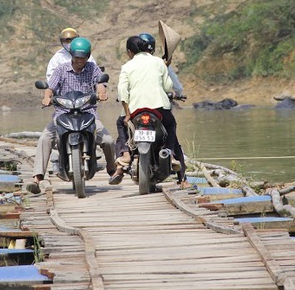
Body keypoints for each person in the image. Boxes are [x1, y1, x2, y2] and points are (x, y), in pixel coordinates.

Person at [28, 37, 116, 194]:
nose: (79, 60)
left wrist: (102, 93)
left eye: (82, 57)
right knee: (45, 138)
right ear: (72, 55)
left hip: (88, 113)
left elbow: (100, 84)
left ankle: (112, 170)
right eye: (76, 57)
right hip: (63, 113)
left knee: (108, 141)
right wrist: (47, 97)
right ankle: (37, 178)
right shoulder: (61, 69)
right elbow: (51, 87)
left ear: (88, 56)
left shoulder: (93, 68)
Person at [111, 35, 186, 186]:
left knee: (121, 125)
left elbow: (122, 91)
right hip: (158, 108)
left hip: (135, 110)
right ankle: (173, 159)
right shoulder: (159, 62)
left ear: (130, 51)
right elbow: (167, 86)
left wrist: (127, 114)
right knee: (171, 126)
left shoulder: (127, 66)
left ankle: (125, 155)